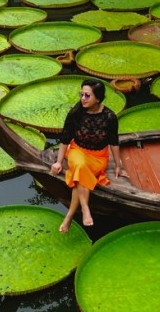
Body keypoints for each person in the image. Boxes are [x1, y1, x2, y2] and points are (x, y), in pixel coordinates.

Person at [50, 79, 128, 233]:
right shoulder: (76, 113)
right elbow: (65, 138)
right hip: (77, 151)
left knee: (80, 175)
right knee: (79, 165)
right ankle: (85, 208)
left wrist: (118, 165)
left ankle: (69, 216)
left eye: (87, 96)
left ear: (98, 98)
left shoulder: (109, 117)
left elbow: (113, 142)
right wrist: (58, 162)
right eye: (82, 94)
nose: (83, 99)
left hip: (98, 157)